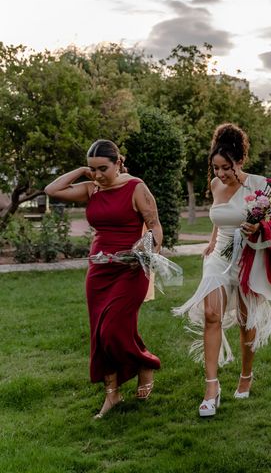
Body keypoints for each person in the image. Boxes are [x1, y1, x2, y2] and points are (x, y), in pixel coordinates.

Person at [172, 123, 271, 418]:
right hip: (218, 257)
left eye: (226, 167)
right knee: (212, 314)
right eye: (216, 168)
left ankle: (245, 374)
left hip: (248, 257)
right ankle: (211, 389)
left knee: (244, 320)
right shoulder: (215, 185)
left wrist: (259, 227)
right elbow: (218, 216)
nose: (221, 174)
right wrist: (212, 241)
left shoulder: (261, 185)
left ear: (240, 161)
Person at [44, 139, 163, 418]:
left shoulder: (136, 187)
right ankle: (112, 395)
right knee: (99, 333)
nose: (97, 175)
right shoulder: (91, 188)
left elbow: (156, 226)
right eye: (93, 169)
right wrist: (81, 171)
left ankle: (145, 363)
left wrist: (145, 250)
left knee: (113, 329)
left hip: (131, 268)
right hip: (99, 269)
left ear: (118, 163)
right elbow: (52, 190)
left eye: (103, 168)